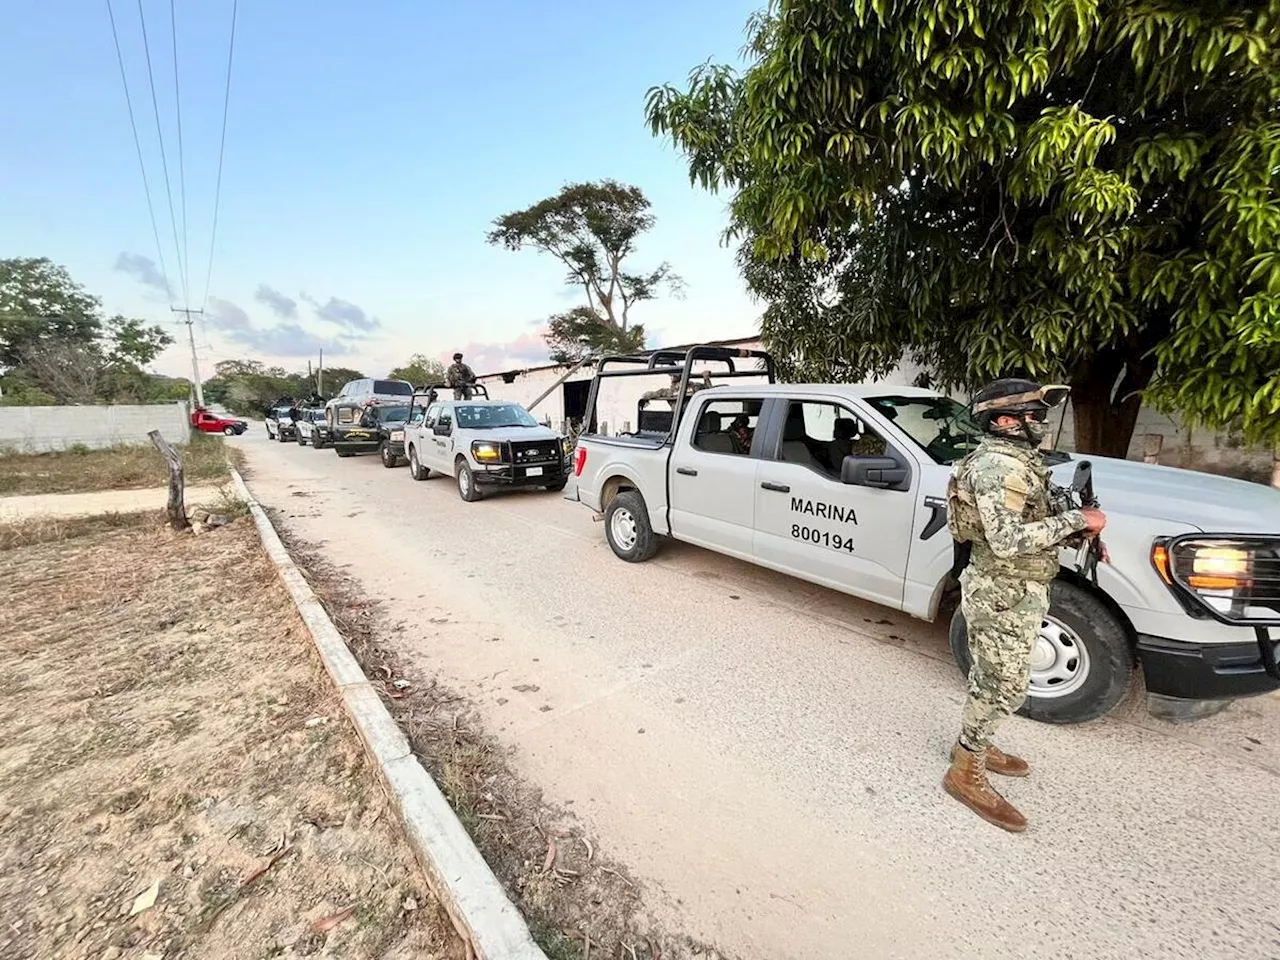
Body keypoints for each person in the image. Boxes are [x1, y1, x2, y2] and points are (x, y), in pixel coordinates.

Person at [943, 377, 1107, 833]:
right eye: (1034, 415)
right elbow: (1007, 539)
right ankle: (964, 770)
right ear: (1008, 421)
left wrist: (1077, 532)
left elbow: (1032, 520)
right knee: (1005, 686)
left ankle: (976, 741)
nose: (1042, 423)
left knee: (994, 679)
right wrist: (1080, 519)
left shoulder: (1020, 462)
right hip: (1002, 591)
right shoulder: (1000, 468)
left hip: (1018, 587)